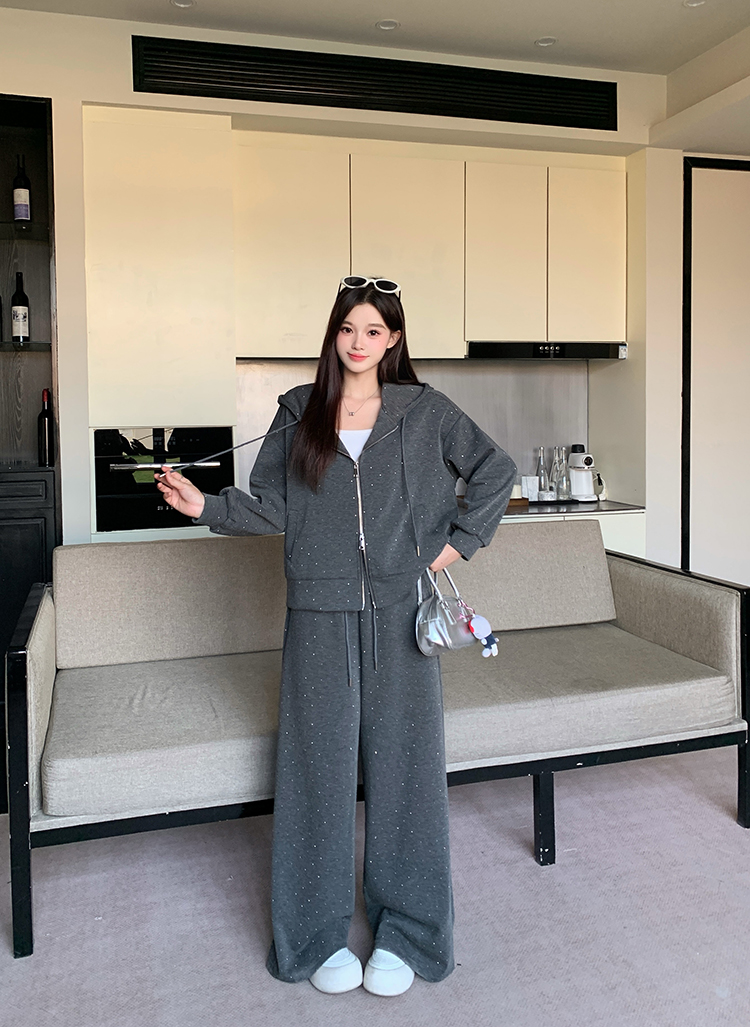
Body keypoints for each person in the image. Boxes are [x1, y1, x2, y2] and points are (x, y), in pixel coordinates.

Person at [156, 276, 516, 997]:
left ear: (394, 339)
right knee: (313, 774)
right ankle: (315, 935)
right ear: (334, 333)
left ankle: (409, 932)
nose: (359, 342)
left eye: (374, 330)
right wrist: (206, 507)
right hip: (318, 616)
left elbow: (495, 471)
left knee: (408, 774)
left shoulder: (425, 411)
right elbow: (273, 507)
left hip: (401, 615)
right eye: (348, 328)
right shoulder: (300, 410)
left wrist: (449, 549)